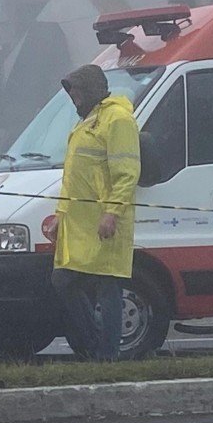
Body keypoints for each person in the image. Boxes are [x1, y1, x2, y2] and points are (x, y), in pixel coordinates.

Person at [52, 63, 141, 361]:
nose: (73, 97)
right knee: (64, 280)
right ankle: (95, 346)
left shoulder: (117, 120)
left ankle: (106, 355)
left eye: (76, 91)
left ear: (90, 89)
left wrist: (112, 213)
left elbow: (127, 172)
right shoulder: (87, 121)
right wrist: (59, 215)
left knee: (108, 286)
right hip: (79, 224)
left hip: (104, 222)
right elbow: (74, 177)